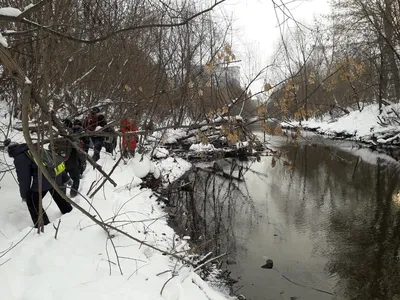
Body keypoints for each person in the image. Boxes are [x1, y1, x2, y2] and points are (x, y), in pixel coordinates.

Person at [5, 140, 73, 228]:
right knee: (57, 193)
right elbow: (53, 161)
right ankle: (69, 212)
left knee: (32, 200)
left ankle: (42, 225)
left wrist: (24, 195)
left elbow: (24, 178)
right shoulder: (33, 148)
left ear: (10, 151)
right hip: (55, 175)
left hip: (44, 178)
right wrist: (65, 177)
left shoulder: (20, 158)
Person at [52, 119, 86, 198]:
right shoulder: (73, 136)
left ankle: (62, 195)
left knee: (62, 179)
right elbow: (79, 150)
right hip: (72, 162)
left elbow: (51, 148)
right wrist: (83, 160)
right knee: (75, 179)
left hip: (60, 162)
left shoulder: (56, 136)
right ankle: (73, 194)